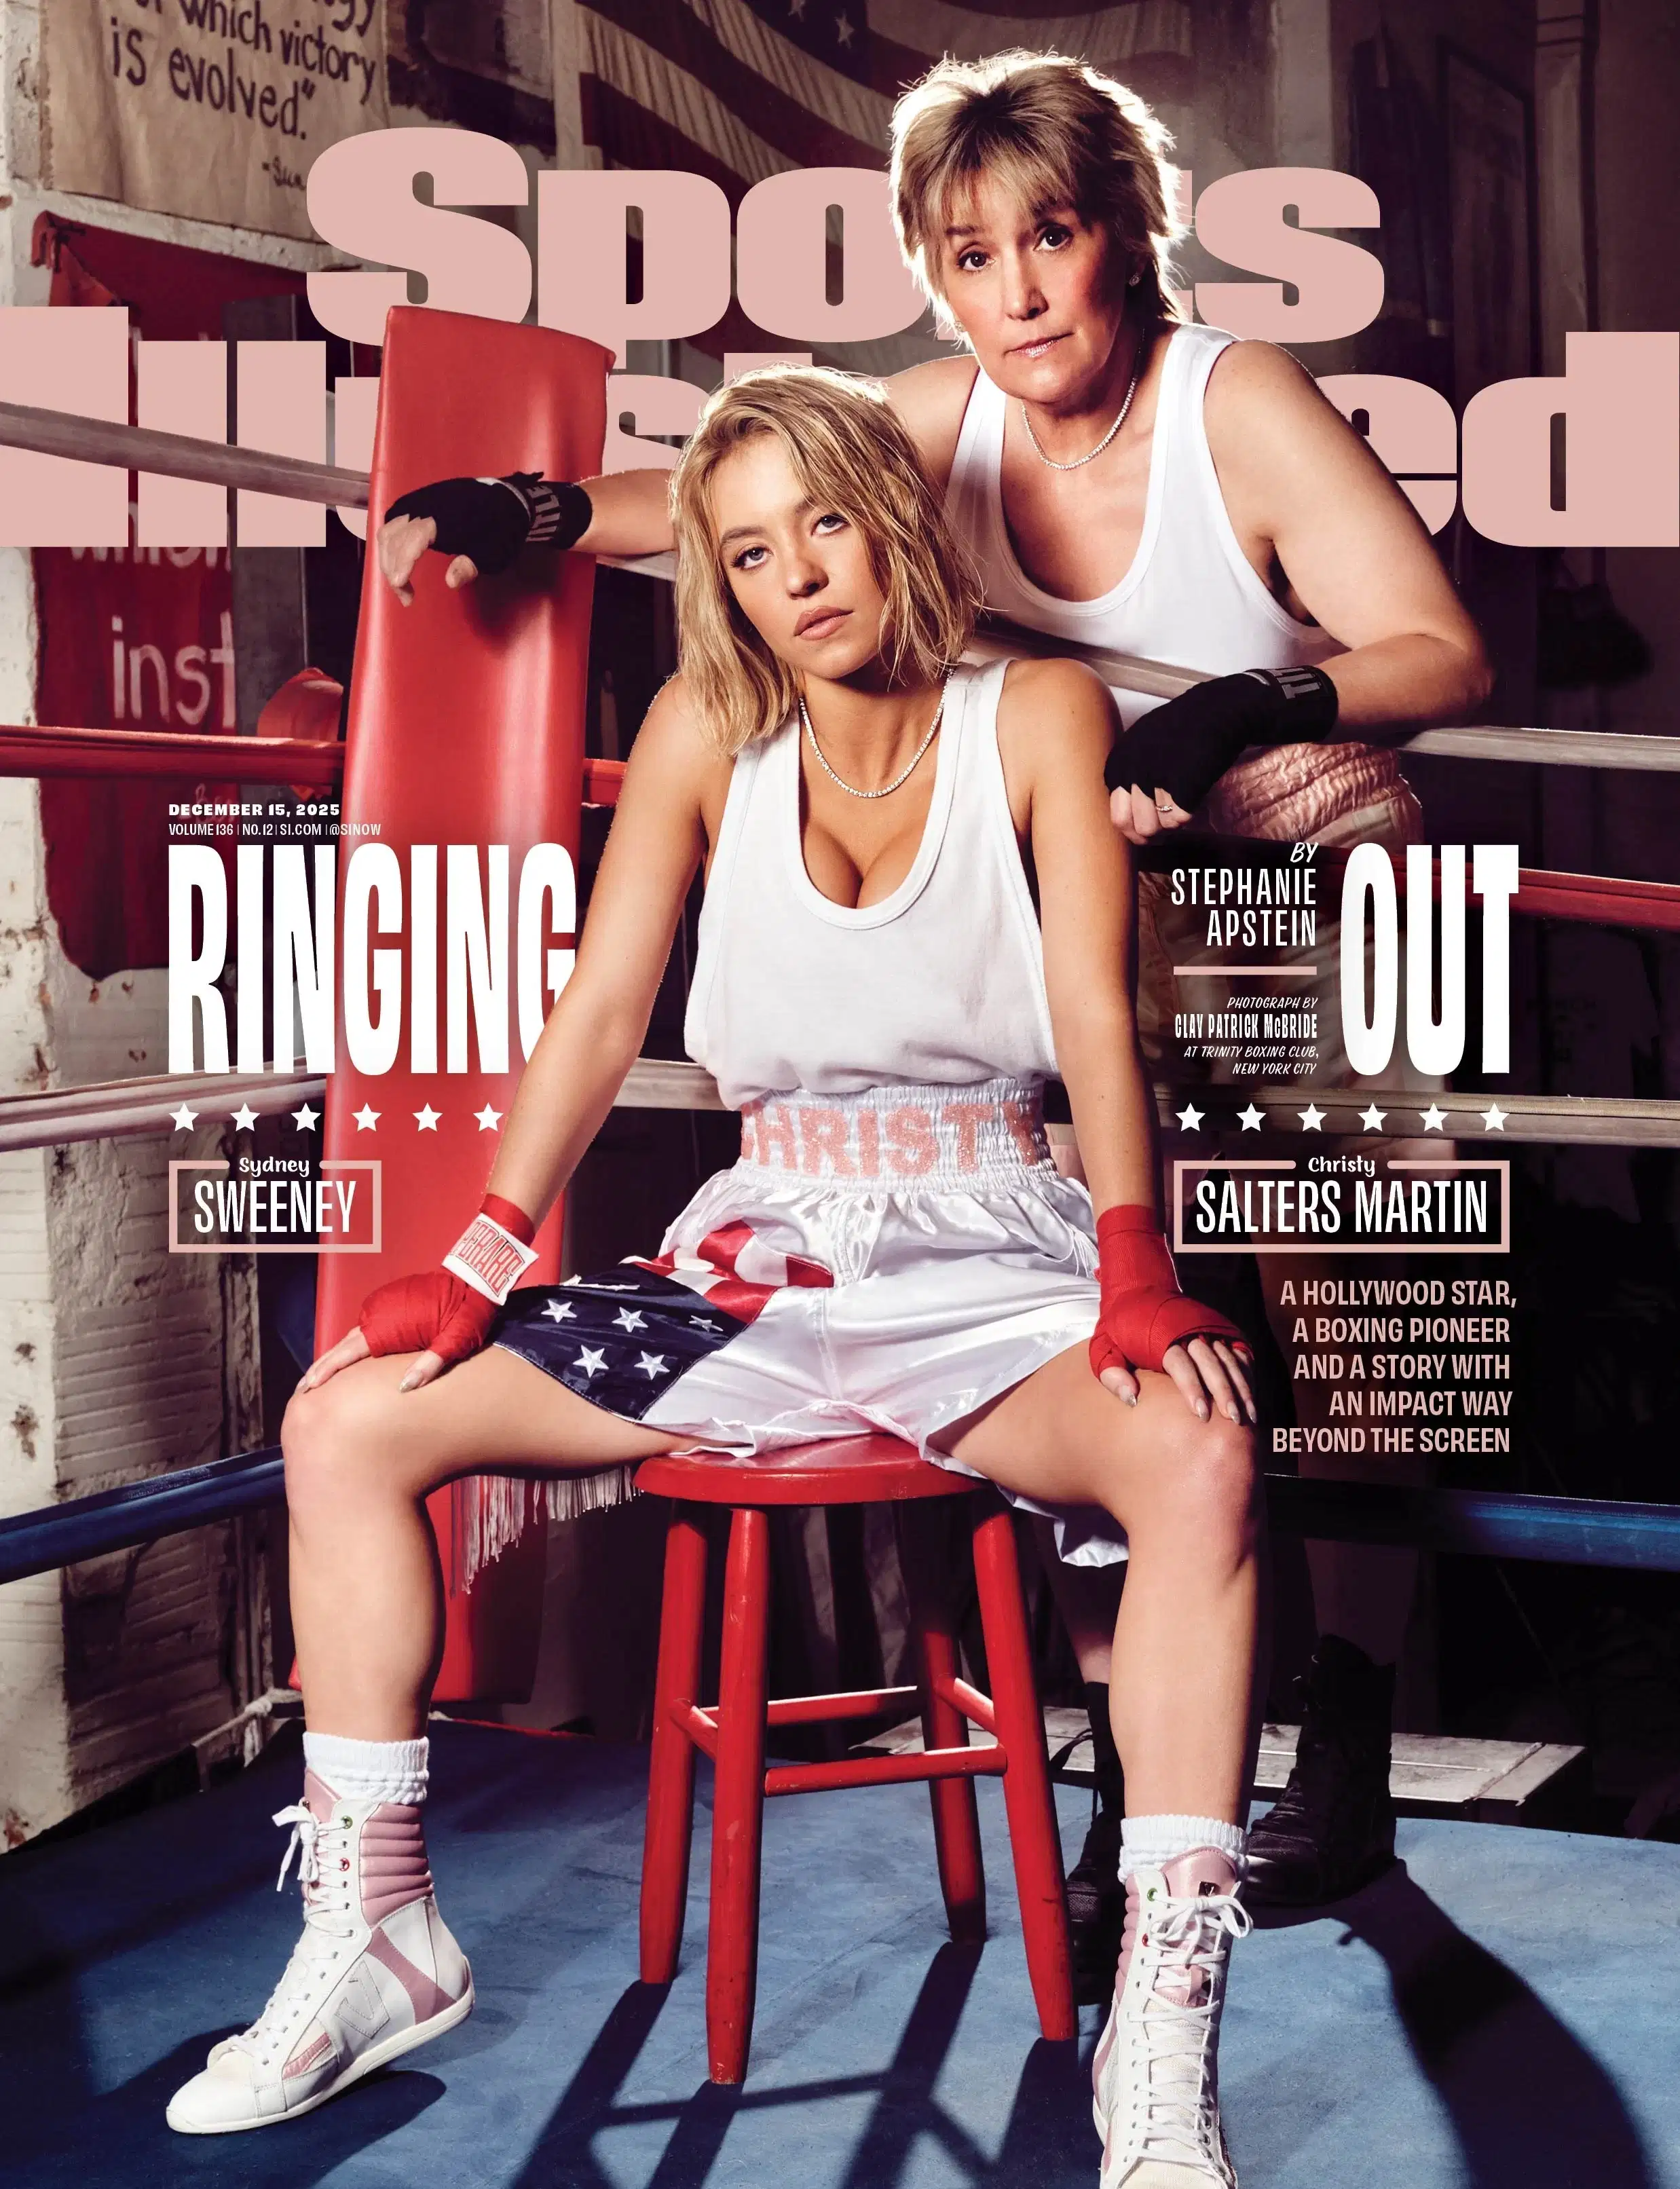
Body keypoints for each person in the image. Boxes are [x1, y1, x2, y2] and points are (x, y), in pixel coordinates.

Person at [377, 50, 1491, 1957]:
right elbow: (728, 495)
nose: (1021, 291)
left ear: (1122, 234)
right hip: (1053, 918)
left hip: (1253, 883)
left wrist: (1258, 702)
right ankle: (1128, 1779)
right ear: (938, 272)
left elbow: (1438, 647)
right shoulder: (938, 418)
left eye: (1050, 238)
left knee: (1350, 1289)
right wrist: (532, 512)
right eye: (972, 255)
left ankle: (1350, 1755)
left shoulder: (1240, 403)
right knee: (1077, 1322)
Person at [172, 368, 1263, 2186]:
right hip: (753, 1262)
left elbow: (1088, 1004)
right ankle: (376, 1939)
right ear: (719, 580)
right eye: (748, 552)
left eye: (824, 525)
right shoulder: (703, 728)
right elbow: (601, 1012)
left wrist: (1134, 1262)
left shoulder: (1038, 712)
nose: (798, 578)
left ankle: (1162, 2030)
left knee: (1200, 1459)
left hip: (985, 1251)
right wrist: (477, 1252)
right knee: (349, 1419)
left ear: (887, 519)